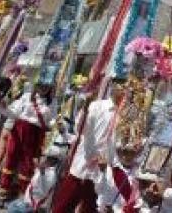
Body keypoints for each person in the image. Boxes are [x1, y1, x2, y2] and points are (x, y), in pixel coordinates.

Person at [50, 76, 128, 213]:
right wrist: (85, 110)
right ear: (112, 87)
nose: (123, 91)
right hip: (83, 163)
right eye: (120, 87)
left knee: (91, 207)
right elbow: (81, 128)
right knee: (63, 204)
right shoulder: (97, 106)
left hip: (102, 172)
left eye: (126, 88)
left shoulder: (126, 115)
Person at [0, 83, 54, 207]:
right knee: (10, 160)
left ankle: (23, 197)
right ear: (36, 86)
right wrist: (4, 108)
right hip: (19, 130)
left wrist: (56, 125)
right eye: (41, 85)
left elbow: (51, 121)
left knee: (27, 165)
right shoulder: (27, 96)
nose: (43, 88)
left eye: (47, 86)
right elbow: (14, 113)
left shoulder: (51, 102)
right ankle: (3, 193)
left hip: (35, 135)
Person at [5, 145, 62, 213]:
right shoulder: (44, 170)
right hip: (28, 203)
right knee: (11, 205)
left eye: (45, 157)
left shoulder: (51, 174)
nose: (43, 158)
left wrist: (42, 174)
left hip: (34, 207)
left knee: (12, 209)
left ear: (52, 160)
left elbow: (43, 192)